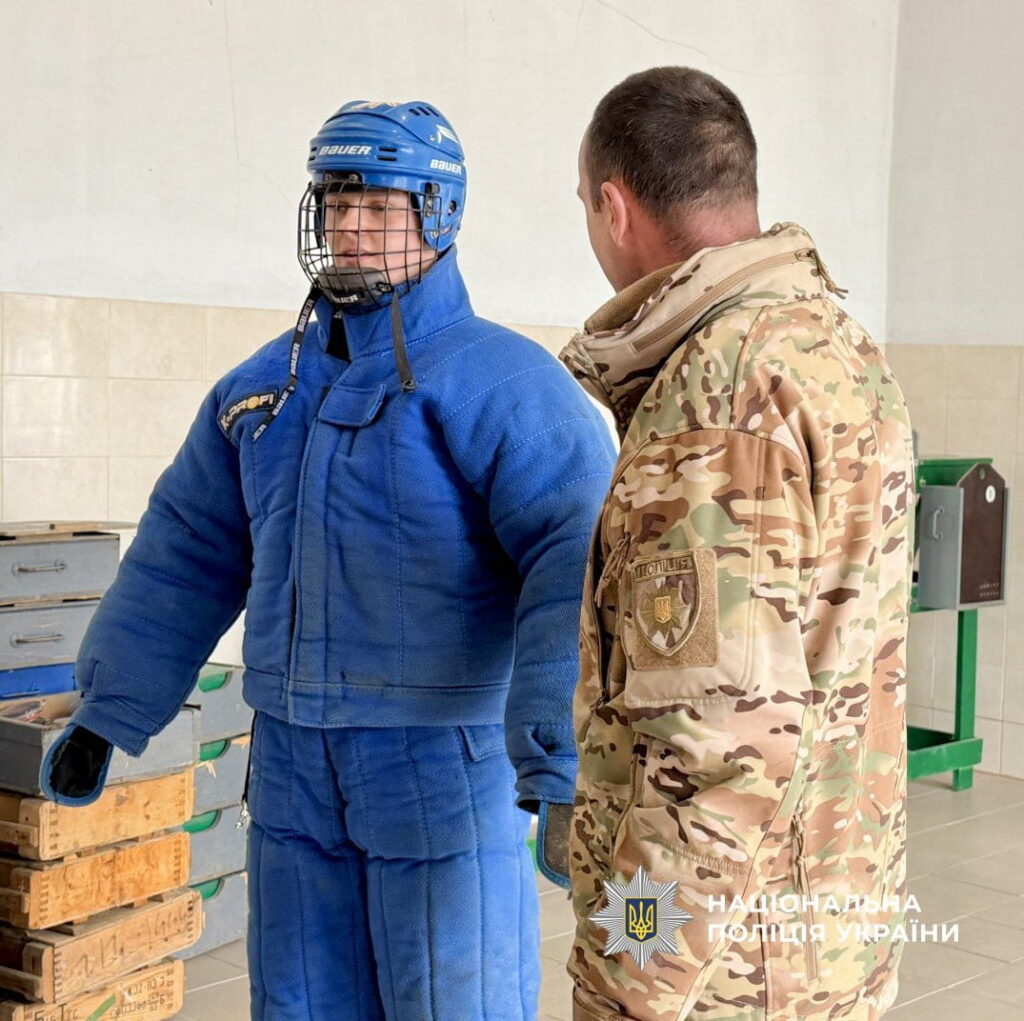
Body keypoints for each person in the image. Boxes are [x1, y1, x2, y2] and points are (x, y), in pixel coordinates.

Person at [39, 99, 615, 1020]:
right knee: (300, 1002)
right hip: (294, 769)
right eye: (334, 203)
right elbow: (186, 553)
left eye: (377, 208)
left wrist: (559, 766)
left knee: (451, 1001)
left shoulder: (502, 384)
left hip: (438, 763)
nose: (349, 229)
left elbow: (577, 564)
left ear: (438, 216)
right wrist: (109, 707)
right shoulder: (261, 390)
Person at [558, 67, 915, 1020]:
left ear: (613, 203)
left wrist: (629, 977)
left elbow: (714, 754)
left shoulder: (716, 396)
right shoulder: (836, 346)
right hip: (832, 934)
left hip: (730, 975)